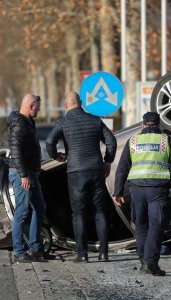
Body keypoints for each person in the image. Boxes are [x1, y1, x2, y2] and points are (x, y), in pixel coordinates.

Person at [46, 91, 117, 263]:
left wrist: (57, 157)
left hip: (76, 171)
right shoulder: (95, 120)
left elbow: (49, 142)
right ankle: (103, 253)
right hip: (96, 169)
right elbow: (112, 142)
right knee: (100, 211)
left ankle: (82, 254)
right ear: (81, 103)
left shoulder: (63, 122)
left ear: (65, 105)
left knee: (78, 214)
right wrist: (107, 161)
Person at [113, 112, 171, 276]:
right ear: (158, 125)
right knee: (156, 225)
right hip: (158, 190)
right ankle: (150, 262)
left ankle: (143, 261)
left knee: (141, 225)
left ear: (143, 125)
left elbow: (122, 168)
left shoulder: (132, 141)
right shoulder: (165, 140)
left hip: (136, 189)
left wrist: (117, 192)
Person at [8, 93, 46, 263]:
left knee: (39, 208)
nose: (39, 110)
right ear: (31, 106)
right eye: (38, 107)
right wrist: (23, 175)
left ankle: (36, 249)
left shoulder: (29, 122)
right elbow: (16, 151)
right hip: (21, 173)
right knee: (22, 212)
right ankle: (18, 251)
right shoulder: (19, 124)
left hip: (31, 173)